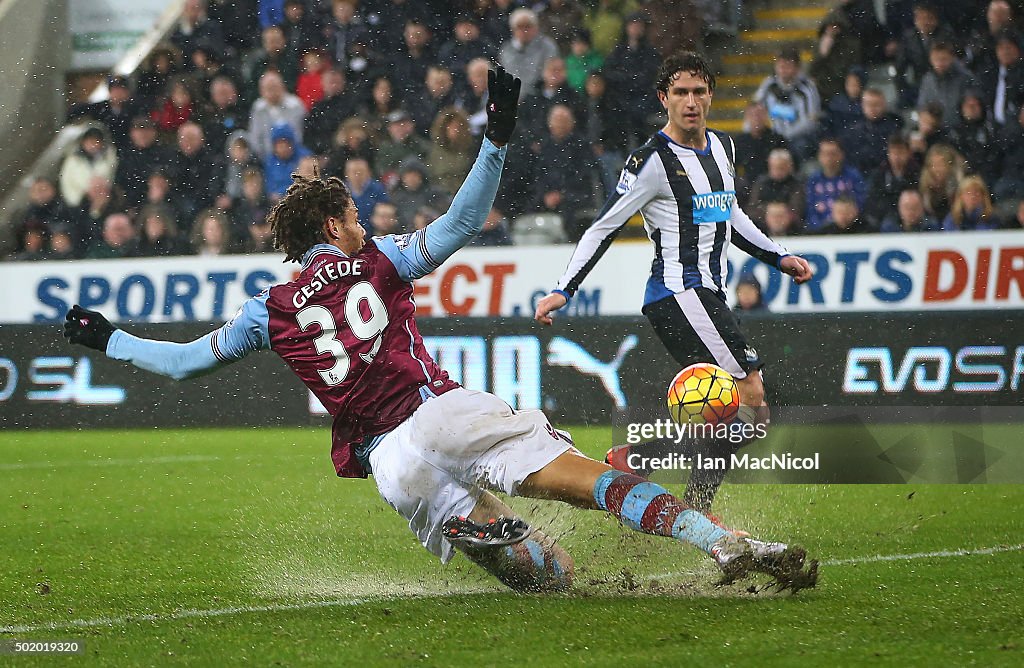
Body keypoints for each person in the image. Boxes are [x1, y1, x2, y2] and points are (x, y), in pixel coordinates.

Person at [62, 66, 817, 595]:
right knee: (596, 486)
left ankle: (488, 529)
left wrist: (107, 339)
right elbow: (459, 222)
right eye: (355, 215)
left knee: (551, 581)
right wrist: (496, 139)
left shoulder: (271, 307)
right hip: (440, 412)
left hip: (392, 467)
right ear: (335, 224)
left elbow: (185, 364)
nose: (367, 222)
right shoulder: (380, 261)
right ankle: (730, 544)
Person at [534, 53, 814, 525]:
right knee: (750, 396)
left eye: (699, 91)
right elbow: (604, 226)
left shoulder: (723, 147)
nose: (690, 102)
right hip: (680, 294)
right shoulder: (651, 161)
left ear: (710, 96)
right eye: (680, 92)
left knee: (745, 416)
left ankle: (651, 473)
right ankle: (677, 493)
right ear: (664, 98)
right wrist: (566, 288)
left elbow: (729, 215)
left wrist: (777, 256)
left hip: (705, 296)